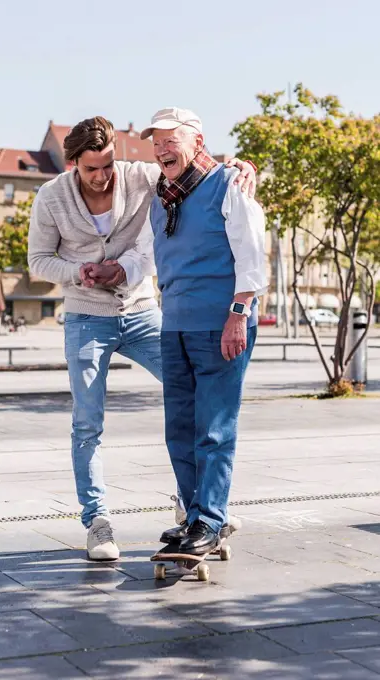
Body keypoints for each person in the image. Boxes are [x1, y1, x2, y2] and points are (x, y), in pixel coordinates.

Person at [28, 116, 257, 560]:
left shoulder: (142, 175)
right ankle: (97, 521)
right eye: (91, 168)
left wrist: (239, 166)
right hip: (86, 317)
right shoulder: (51, 196)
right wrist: (77, 273)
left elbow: (196, 171)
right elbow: (38, 260)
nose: (102, 175)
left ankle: (199, 509)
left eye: (107, 164)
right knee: (87, 423)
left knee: (189, 405)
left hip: (141, 312)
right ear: (72, 162)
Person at [142, 107, 267, 554]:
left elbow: (253, 256)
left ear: (197, 140)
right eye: (155, 143)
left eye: (170, 140)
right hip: (173, 324)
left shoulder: (228, 184)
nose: (161, 150)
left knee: (213, 428)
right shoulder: (161, 195)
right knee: (178, 428)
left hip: (221, 325)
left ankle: (211, 521)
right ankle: (194, 516)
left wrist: (239, 313)